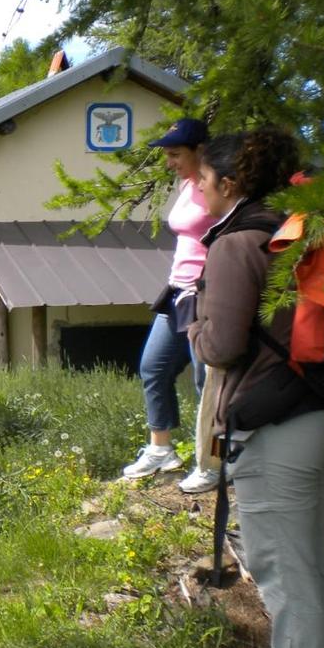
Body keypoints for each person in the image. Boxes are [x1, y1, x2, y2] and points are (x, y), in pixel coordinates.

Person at [188, 127, 324, 648]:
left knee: (285, 574)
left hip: (274, 426)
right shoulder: (299, 229)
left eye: (202, 176)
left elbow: (221, 346)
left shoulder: (237, 243)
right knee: (318, 567)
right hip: (318, 407)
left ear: (229, 182)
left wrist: (189, 323)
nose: (195, 184)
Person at [121, 118, 217, 488]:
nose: (169, 162)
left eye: (176, 154)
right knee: (153, 367)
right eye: (167, 155)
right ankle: (161, 449)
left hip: (206, 293)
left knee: (205, 381)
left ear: (201, 151)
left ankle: (212, 461)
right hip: (178, 291)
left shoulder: (220, 187)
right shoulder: (188, 184)